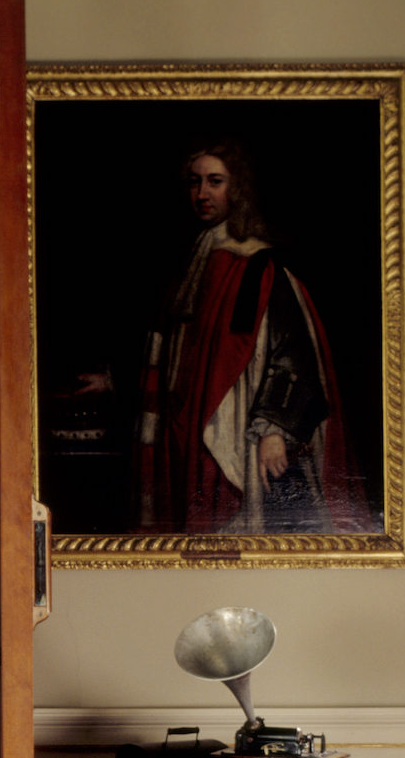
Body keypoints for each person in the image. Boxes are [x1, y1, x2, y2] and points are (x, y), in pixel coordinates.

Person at [122, 139, 368, 535]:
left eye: (214, 182)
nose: (202, 194)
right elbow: (171, 348)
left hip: (236, 431)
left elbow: (292, 353)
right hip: (186, 429)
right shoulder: (191, 261)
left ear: (237, 189)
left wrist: (273, 429)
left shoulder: (259, 265)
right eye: (195, 182)